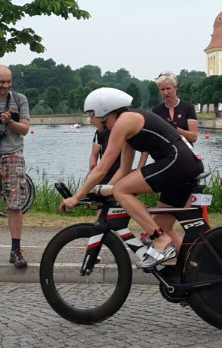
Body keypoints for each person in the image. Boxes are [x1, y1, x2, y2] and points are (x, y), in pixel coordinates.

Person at [60, 87, 204, 269]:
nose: (91, 120)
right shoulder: (129, 124)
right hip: (184, 164)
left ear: (105, 112)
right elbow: (123, 170)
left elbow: (102, 169)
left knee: (124, 192)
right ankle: (194, 271)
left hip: (178, 162)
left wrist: (77, 196)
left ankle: (159, 239)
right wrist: (103, 191)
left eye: (92, 114)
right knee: (161, 225)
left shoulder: (124, 122)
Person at [0, 66, 30, 268]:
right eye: (1, 82)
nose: (5, 85)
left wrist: (9, 122)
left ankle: (16, 250)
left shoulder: (19, 99)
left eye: (8, 81)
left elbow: (25, 129)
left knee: (15, 204)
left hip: (13, 155)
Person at [138, 71, 198, 168]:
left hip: (184, 156)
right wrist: (140, 168)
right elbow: (149, 141)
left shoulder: (188, 107)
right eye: (162, 89)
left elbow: (194, 137)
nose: (166, 93)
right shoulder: (157, 110)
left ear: (176, 87)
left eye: (168, 89)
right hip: (163, 157)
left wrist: (174, 129)